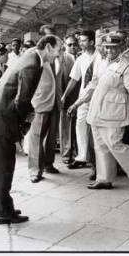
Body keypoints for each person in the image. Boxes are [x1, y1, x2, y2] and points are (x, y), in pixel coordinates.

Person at [0, 35, 62, 224]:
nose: (59, 54)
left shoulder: (32, 54)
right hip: (0, 120)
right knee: (4, 167)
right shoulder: (33, 63)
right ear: (48, 47)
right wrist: (22, 127)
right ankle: (4, 213)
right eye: (58, 49)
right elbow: (22, 100)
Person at [68, 33, 129, 190]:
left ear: (120, 48)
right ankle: (104, 179)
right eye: (107, 47)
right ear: (103, 48)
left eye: (113, 48)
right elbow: (92, 86)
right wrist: (77, 103)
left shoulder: (126, 66)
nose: (110, 51)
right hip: (97, 111)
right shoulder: (102, 63)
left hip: (115, 113)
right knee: (100, 146)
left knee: (115, 143)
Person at [26, 38, 64, 182]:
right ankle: (35, 170)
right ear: (48, 46)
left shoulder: (61, 58)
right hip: (40, 101)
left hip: (55, 100)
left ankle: (48, 163)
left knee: (51, 136)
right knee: (37, 137)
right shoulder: (34, 57)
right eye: (59, 48)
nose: (60, 51)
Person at [61, 30, 100, 170]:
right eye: (80, 40)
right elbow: (74, 79)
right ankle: (82, 157)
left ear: (92, 42)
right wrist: (65, 95)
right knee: (80, 125)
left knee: (96, 129)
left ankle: (96, 160)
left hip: (97, 96)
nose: (80, 43)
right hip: (83, 97)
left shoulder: (100, 57)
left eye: (84, 40)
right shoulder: (80, 59)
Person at [59, 35, 78, 164]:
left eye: (74, 44)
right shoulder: (62, 58)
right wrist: (62, 97)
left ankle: (77, 153)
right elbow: (60, 79)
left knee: (76, 127)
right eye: (69, 44)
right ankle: (66, 154)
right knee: (66, 127)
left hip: (79, 97)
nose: (72, 47)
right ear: (65, 45)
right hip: (67, 97)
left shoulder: (80, 57)